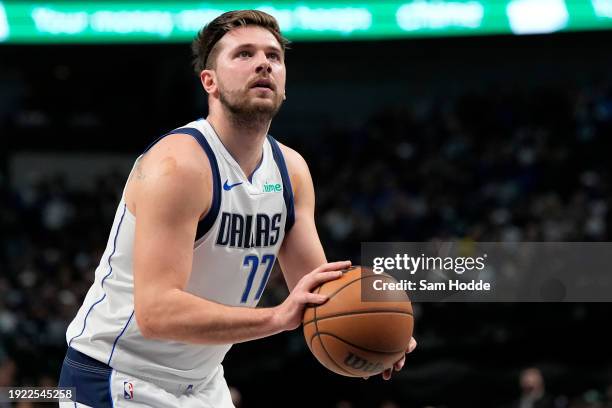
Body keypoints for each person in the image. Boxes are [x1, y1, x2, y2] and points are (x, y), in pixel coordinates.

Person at [58, 10, 416, 407]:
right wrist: (277, 317)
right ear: (208, 81)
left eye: (273, 56)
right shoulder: (177, 165)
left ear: (283, 84)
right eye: (243, 54)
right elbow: (157, 312)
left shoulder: (291, 171)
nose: (263, 62)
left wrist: (383, 329)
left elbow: (317, 293)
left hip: (204, 382)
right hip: (117, 376)